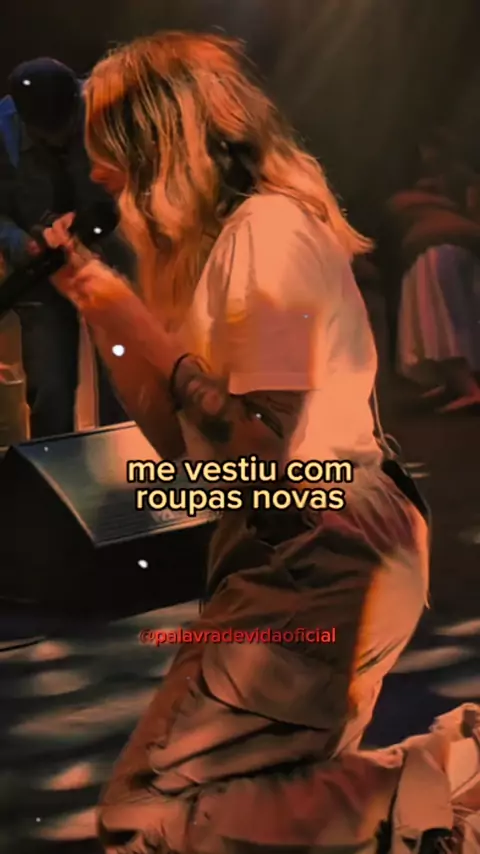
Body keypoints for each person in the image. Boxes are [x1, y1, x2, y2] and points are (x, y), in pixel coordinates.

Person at [42, 31, 446, 853]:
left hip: (318, 552)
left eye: (108, 151)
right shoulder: (233, 243)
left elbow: (261, 452)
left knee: (148, 819)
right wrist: (103, 304)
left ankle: (451, 777)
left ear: (158, 146)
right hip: (301, 548)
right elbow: (187, 447)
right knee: (243, 809)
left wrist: (147, 336)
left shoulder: (267, 233)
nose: (97, 176)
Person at [0, 57, 132, 438]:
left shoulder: (106, 110)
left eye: (66, 131)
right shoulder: (0, 132)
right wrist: (22, 242)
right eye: (48, 136)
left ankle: (125, 461)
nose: (60, 142)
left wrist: (91, 221)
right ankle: (51, 463)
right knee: (50, 387)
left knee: (125, 375)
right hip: (41, 271)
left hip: (110, 258)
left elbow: (136, 184)